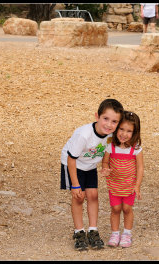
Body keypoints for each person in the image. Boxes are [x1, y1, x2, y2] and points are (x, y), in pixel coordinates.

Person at [60, 98, 124, 251]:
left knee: (93, 195)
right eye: (106, 119)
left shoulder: (110, 135)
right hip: (72, 165)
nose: (109, 124)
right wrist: (75, 184)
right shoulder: (84, 134)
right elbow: (71, 159)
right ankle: (79, 232)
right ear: (97, 116)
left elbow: (105, 152)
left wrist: (104, 166)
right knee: (79, 196)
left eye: (114, 121)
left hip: (89, 165)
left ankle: (93, 230)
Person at [100, 111, 144, 248]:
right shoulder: (110, 146)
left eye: (129, 131)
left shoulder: (135, 148)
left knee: (127, 208)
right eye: (121, 129)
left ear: (135, 132)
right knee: (115, 208)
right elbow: (105, 162)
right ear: (116, 128)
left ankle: (126, 234)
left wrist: (137, 185)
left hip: (129, 185)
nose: (124, 134)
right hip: (114, 184)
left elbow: (140, 168)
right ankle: (114, 233)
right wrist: (105, 169)